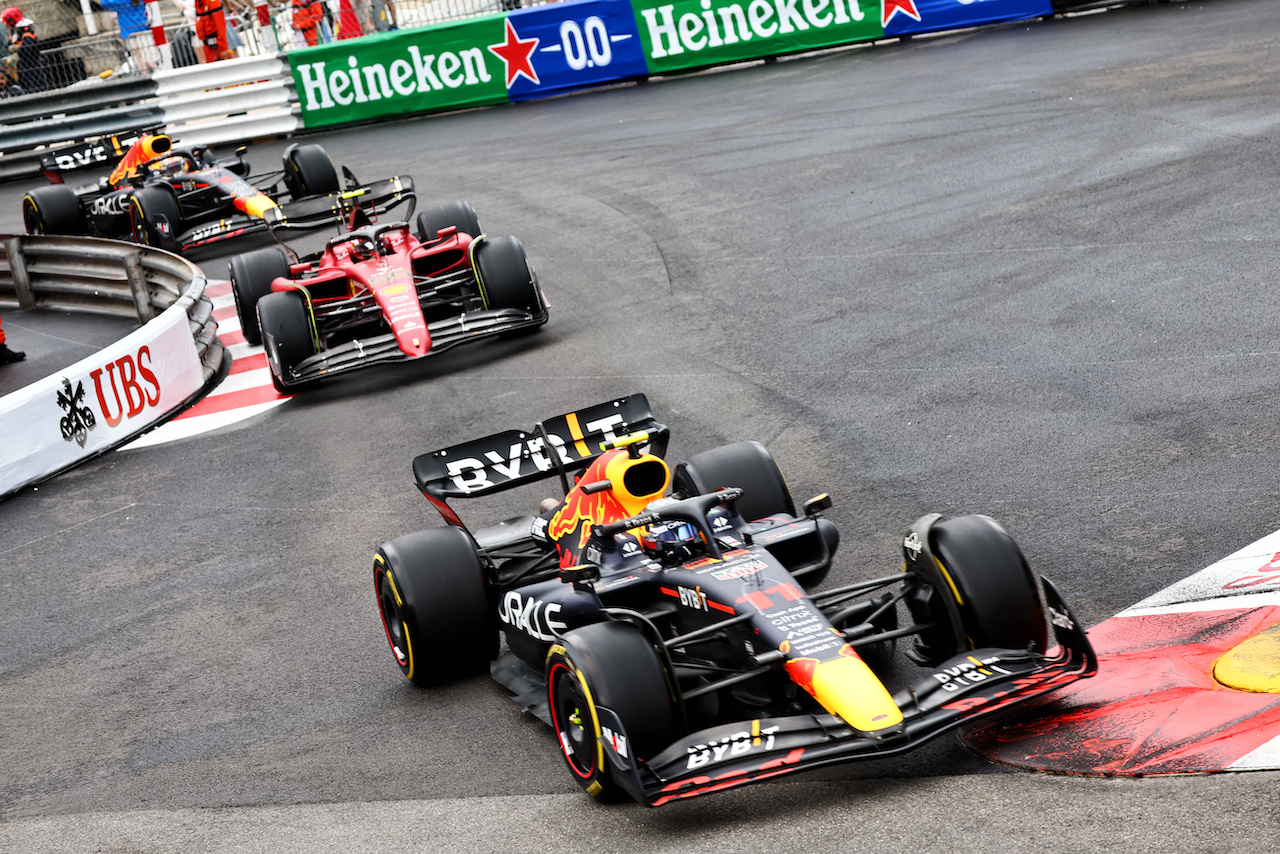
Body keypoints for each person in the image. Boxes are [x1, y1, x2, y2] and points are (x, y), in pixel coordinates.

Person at [100, 0, 155, 74]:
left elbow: (105, 4)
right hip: (143, 29)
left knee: (139, 59)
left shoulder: (122, 2)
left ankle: (145, 75)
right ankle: (157, 71)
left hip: (130, 33)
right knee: (149, 57)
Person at [1, 7, 46, 93]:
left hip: (33, 64)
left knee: (36, 87)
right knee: (26, 87)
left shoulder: (26, 30)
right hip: (23, 65)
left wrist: (17, 53)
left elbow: (28, 46)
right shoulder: (16, 32)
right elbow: (8, 46)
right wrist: (15, 48)